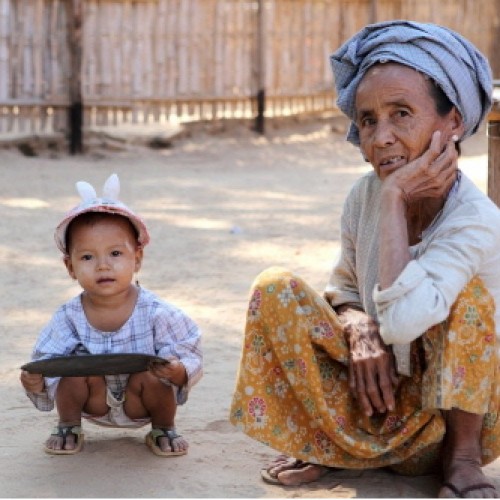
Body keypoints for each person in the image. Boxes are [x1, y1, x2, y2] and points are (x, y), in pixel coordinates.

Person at [230, 20, 500, 498]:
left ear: (453, 122)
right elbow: (346, 289)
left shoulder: (474, 218)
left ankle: (462, 462)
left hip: (443, 427)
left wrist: (395, 197)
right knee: (275, 287)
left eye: (402, 114)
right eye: (369, 119)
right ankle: (326, 442)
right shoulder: (363, 195)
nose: (380, 137)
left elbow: (399, 324)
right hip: (375, 403)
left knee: (471, 300)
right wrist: (356, 325)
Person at [20, 173, 202, 456]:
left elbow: (189, 349)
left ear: (137, 259)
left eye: (115, 253)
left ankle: (163, 428)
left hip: (140, 399)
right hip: (93, 400)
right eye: (87, 257)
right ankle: (68, 424)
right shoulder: (68, 316)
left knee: (154, 376)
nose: (103, 266)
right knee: (70, 369)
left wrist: (178, 370)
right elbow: (47, 359)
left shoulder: (157, 312)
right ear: (70, 267)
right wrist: (37, 379)